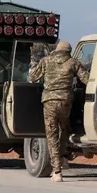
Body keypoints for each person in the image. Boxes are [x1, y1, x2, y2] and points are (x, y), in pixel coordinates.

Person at [29, 41, 89, 182]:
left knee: (52, 135)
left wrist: (34, 65)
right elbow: (86, 79)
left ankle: (57, 171)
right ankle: (63, 157)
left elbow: (32, 77)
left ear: (57, 49)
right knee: (65, 129)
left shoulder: (46, 61)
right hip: (65, 102)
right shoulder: (73, 62)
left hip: (49, 102)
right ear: (68, 51)